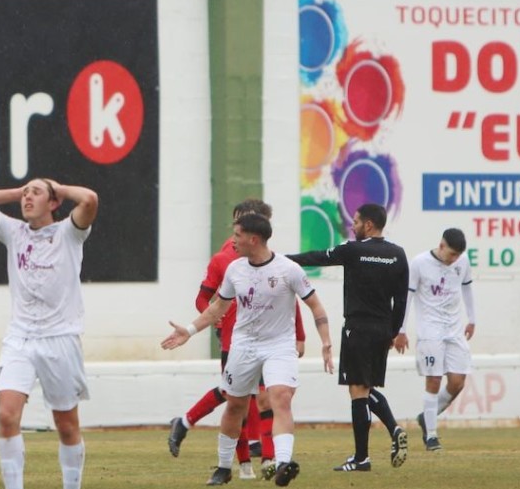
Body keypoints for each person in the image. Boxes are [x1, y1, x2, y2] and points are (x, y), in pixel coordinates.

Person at [162, 213, 334, 488]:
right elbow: (218, 307)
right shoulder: (235, 270)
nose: (233, 240)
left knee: (280, 398)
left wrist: (325, 342)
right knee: (235, 404)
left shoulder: (288, 269)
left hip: (279, 346)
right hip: (243, 346)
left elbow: (316, 306)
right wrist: (190, 330)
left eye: (238, 234)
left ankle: (283, 463)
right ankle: (223, 467)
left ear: (253, 239)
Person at [0, 178, 98, 489]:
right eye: (25, 193)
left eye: (35, 193)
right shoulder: (14, 231)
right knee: (7, 416)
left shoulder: (69, 233)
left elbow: (89, 198)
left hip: (60, 338)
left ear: (54, 203)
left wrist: (56, 188)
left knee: (66, 426)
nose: (27, 197)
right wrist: (18, 192)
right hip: (20, 338)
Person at [288, 202, 410, 473]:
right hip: (382, 329)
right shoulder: (398, 254)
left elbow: (320, 256)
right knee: (366, 388)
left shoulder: (354, 249)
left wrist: (283, 260)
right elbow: (401, 299)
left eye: (355, 221)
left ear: (368, 224)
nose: (352, 226)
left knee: (358, 392)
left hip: (358, 327)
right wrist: (394, 331)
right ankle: (394, 428)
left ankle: (361, 458)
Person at [393, 228, 475, 452]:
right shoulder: (419, 263)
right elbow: (407, 297)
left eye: (458, 255)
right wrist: (400, 330)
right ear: (441, 246)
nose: (454, 259)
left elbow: (467, 289)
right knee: (434, 380)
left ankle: (426, 417)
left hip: (454, 330)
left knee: (458, 382)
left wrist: (472, 319)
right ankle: (431, 436)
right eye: (452, 254)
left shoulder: (462, 262)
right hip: (430, 331)